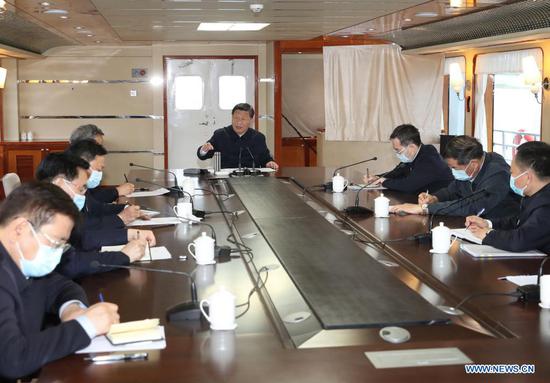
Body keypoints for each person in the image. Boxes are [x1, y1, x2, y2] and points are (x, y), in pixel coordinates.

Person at [0, 182, 119, 380]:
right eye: (55, 243)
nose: (55, 253)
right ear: (20, 228)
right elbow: (12, 359)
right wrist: (85, 325)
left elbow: (60, 287)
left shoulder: (21, 261)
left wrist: (72, 309)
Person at [36, 152, 155, 253]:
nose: (84, 193)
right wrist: (125, 255)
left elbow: (84, 237)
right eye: (81, 188)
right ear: (60, 183)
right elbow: (74, 260)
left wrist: (129, 233)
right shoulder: (42, 215)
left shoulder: (56, 205)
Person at [390, 135, 520, 219]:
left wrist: (423, 209)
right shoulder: (472, 167)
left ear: (473, 164)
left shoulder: (497, 174)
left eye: (454, 168)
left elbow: (472, 205)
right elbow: (454, 188)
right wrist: (435, 198)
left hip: (503, 229)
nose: (452, 172)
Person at [465, 142, 550, 252]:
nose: (511, 177)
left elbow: (520, 240)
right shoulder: (535, 195)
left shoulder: (546, 206)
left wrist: (487, 234)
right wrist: (487, 223)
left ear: (527, 177)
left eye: (512, 173)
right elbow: (518, 221)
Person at [66, 139, 144, 225]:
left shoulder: (82, 186)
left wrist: (127, 209)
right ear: (83, 163)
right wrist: (121, 218)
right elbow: (84, 229)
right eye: (98, 170)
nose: (100, 173)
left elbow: (98, 209)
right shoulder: (67, 189)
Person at [364, 124, 453, 194]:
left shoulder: (429, 159)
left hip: (442, 206)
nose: (397, 154)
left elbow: (408, 185)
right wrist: (378, 177)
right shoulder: (413, 156)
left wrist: (384, 182)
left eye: (398, 150)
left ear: (411, 147)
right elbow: (397, 172)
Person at [197, 103, 279, 170]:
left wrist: (269, 163)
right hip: (226, 179)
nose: (238, 122)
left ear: (251, 120)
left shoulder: (258, 137)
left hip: (252, 180)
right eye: (236, 118)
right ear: (232, 117)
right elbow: (204, 155)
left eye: (243, 119)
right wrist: (203, 150)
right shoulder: (220, 134)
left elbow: (265, 158)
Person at [69, 124, 135, 201]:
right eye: (97, 146)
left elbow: (93, 192)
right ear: (82, 145)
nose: (100, 150)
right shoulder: (67, 169)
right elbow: (89, 201)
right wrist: (117, 191)